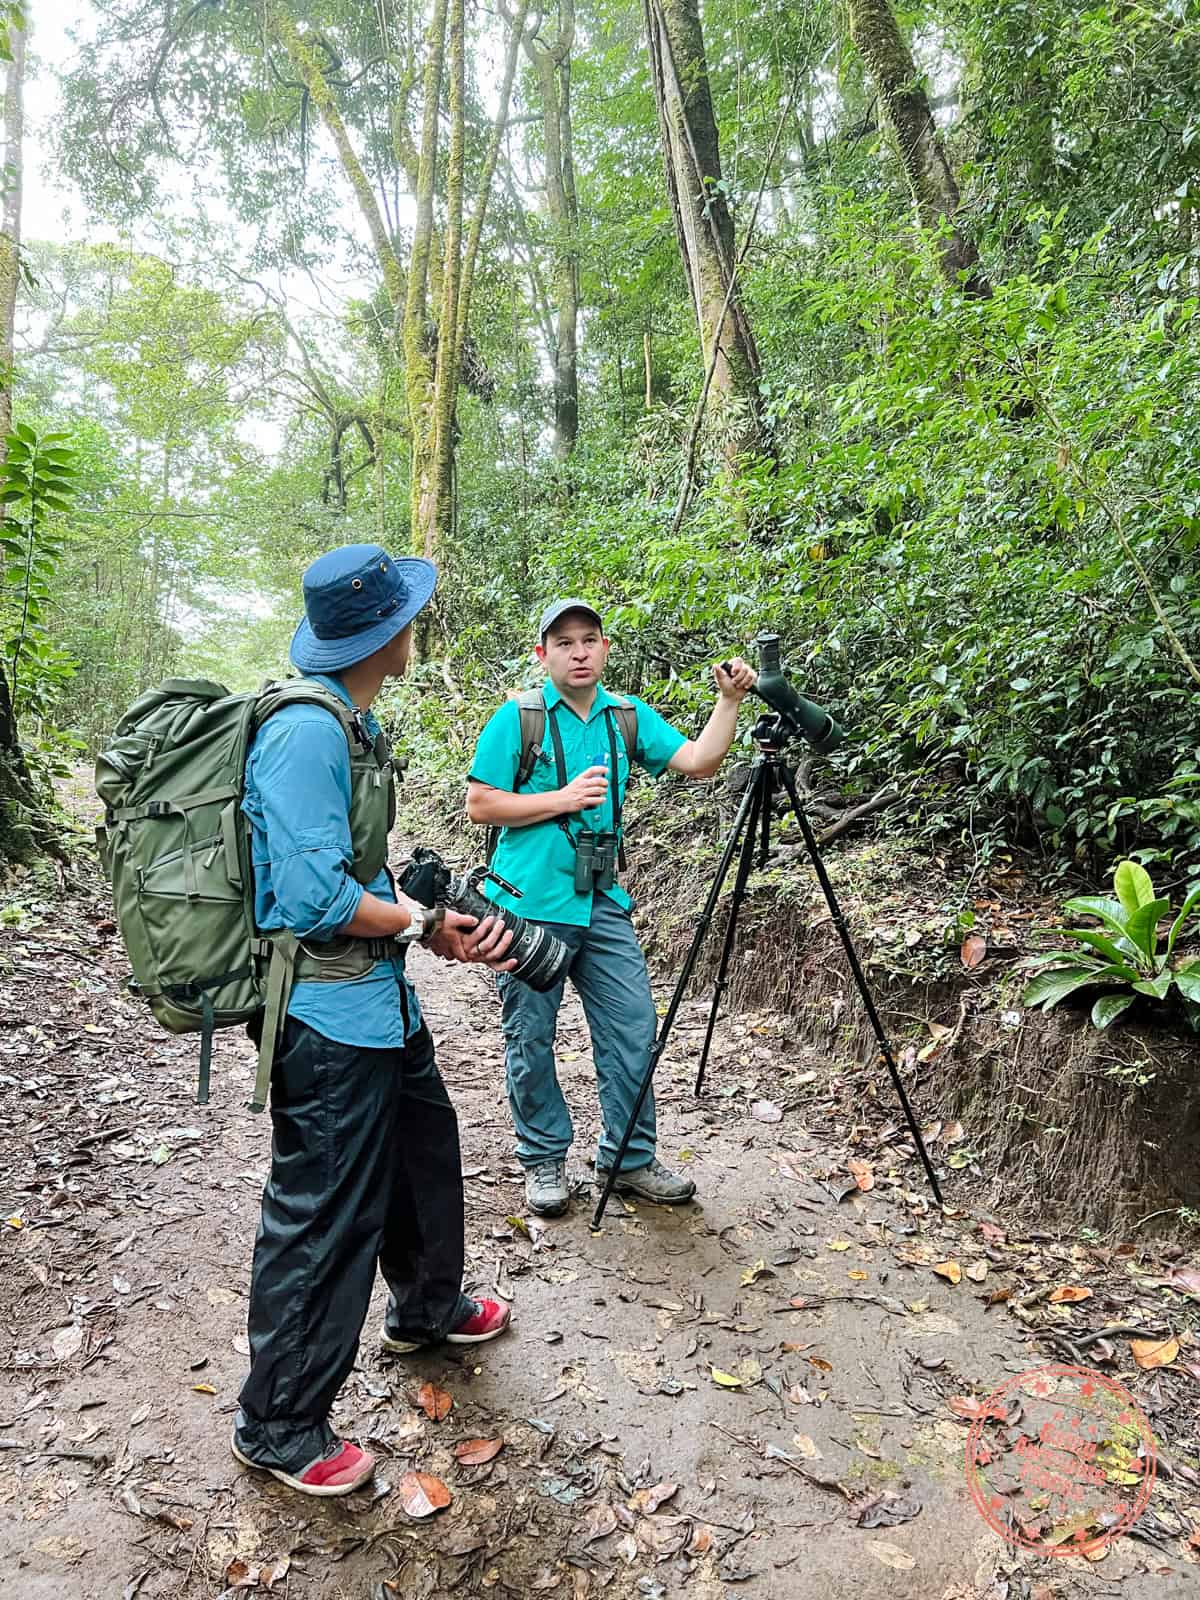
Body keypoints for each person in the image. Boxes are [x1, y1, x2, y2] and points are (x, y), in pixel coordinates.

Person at [232, 543, 516, 1498]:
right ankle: (278, 1423)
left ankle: (427, 1307)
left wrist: (422, 918)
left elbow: (354, 870)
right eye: (406, 617)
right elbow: (313, 898)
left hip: (380, 1002)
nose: (415, 627)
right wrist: (421, 924)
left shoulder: (355, 720)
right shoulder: (305, 733)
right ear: (381, 634)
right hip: (325, 1018)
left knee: (423, 1152)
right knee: (324, 1215)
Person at [466, 599, 755, 1218]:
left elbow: (699, 762)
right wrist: (563, 799)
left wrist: (728, 702)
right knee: (530, 1036)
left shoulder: (626, 716)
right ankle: (543, 1157)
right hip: (527, 905)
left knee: (633, 1027)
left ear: (604, 648)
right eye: (564, 643)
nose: (579, 652)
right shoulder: (519, 717)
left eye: (589, 640)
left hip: (599, 900)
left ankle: (627, 1158)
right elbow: (481, 804)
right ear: (542, 654)